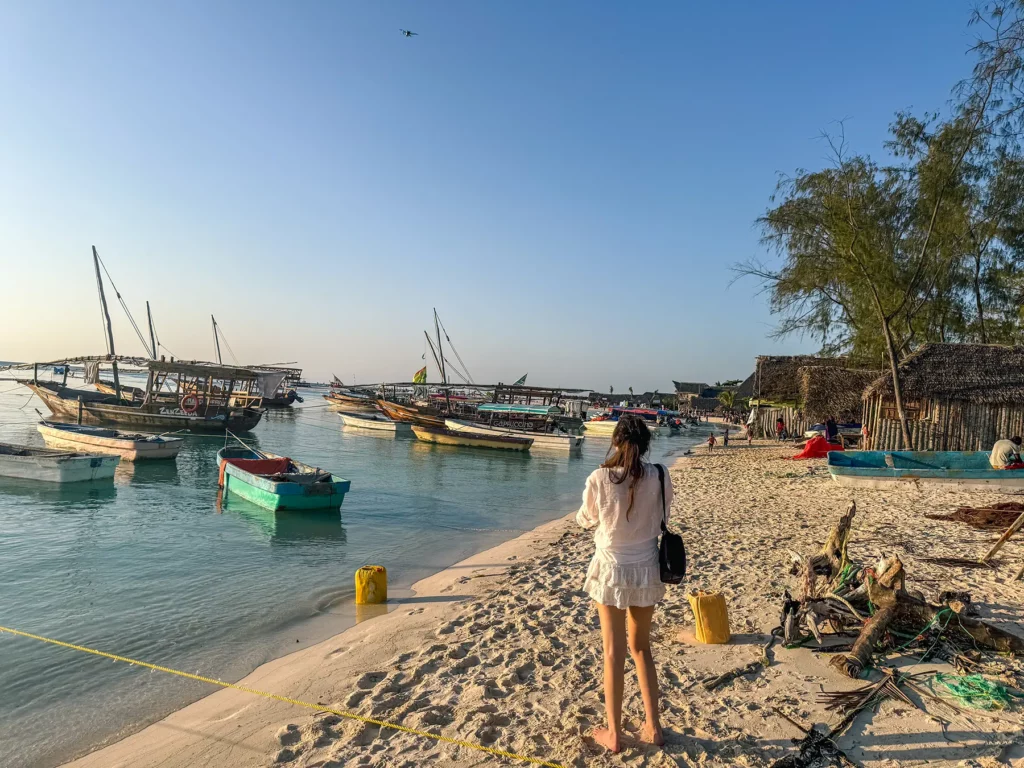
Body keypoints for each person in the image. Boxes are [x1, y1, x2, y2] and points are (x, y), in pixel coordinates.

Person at [576, 414, 669, 753]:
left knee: (613, 651)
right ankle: (653, 727)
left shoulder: (600, 477)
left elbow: (585, 519)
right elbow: (663, 518)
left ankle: (613, 733)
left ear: (615, 442)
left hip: (612, 569)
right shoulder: (660, 475)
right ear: (645, 445)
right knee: (642, 648)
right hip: (646, 568)